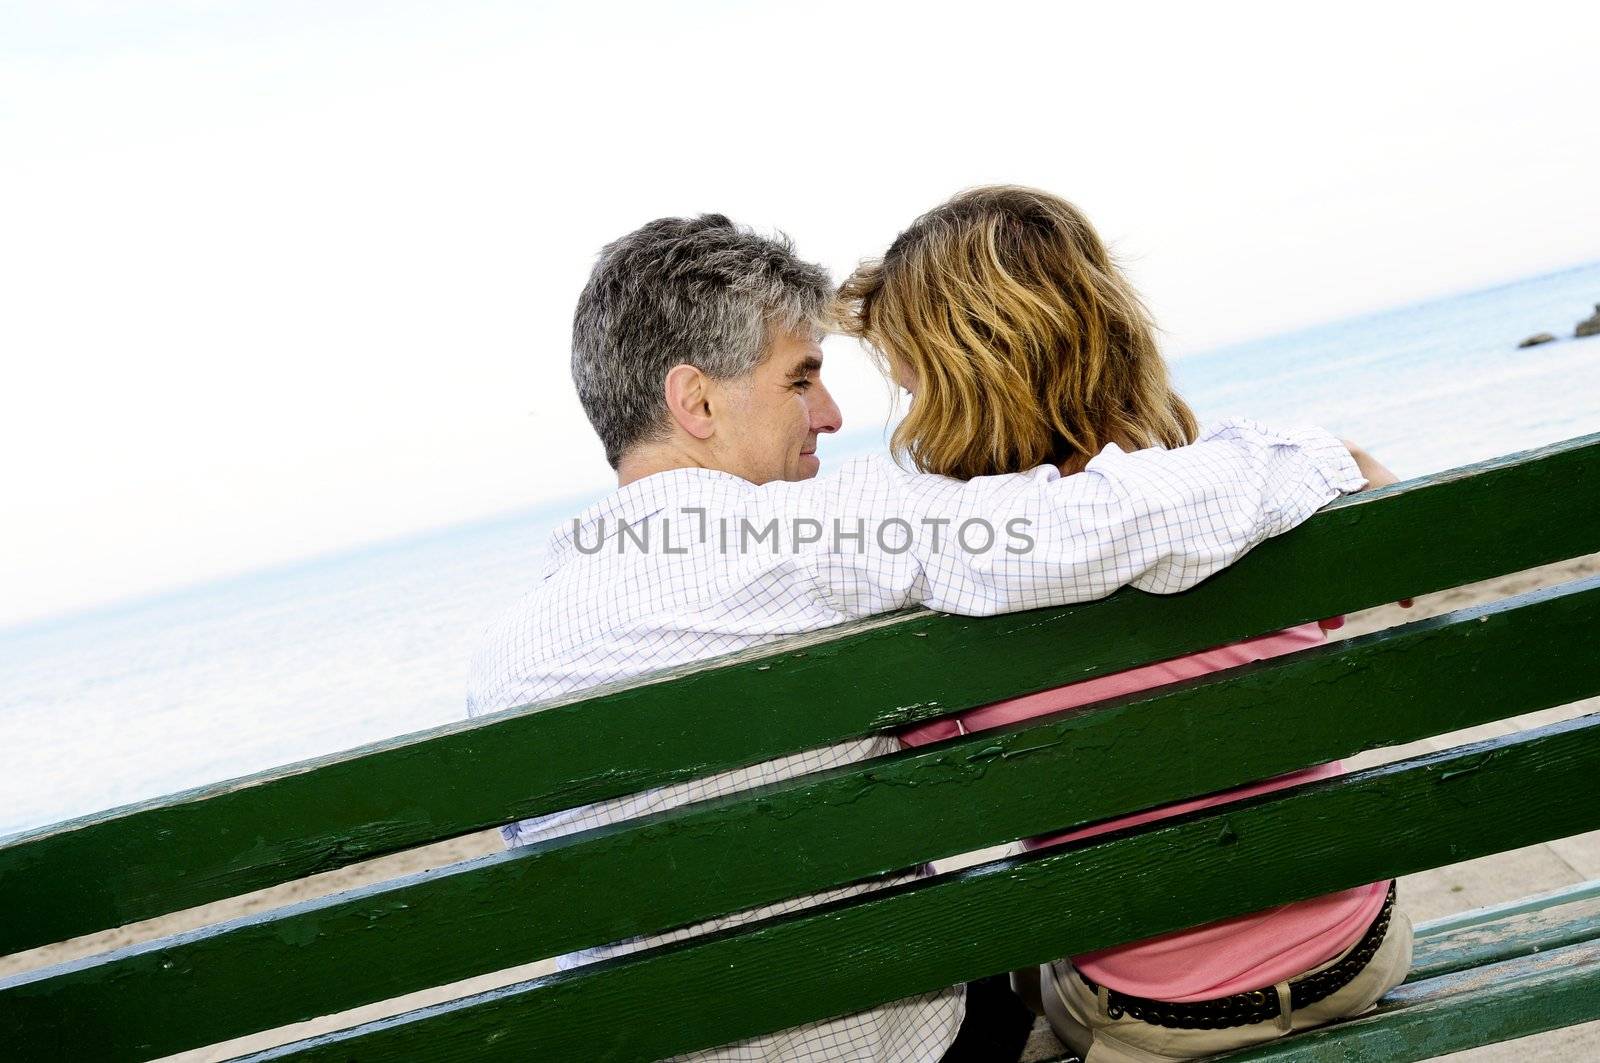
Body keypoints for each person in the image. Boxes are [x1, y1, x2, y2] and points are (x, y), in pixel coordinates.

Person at [466, 212, 1372, 1063]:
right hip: (900, 1041)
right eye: (799, 378)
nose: (828, 414)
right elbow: (1092, 525)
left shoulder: (502, 660)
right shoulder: (824, 528)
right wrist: (1315, 457)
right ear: (695, 401)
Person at [837, 185, 1412, 1063]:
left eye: (906, 373)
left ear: (955, 377)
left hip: (1154, 1014)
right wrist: (1327, 457)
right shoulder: (1262, 496)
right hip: (1357, 948)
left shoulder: (948, 577)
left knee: (1015, 969)